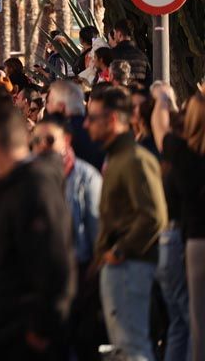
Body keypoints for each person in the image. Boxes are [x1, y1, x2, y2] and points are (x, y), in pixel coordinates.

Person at [0, 106, 74, 360]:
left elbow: (56, 266)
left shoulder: (36, 187)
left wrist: (41, 329)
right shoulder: (2, 185)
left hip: (18, 340)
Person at [86, 86, 168, 361]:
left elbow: (154, 215)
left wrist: (119, 251)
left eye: (93, 117)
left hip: (130, 266)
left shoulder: (134, 160)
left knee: (133, 349)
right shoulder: (119, 157)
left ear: (111, 120)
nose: (87, 124)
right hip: (121, 266)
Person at [32, 114, 106, 361]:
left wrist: (90, 279)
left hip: (78, 278)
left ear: (67, 140)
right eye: (37, 140)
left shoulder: (87, 178)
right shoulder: (28, 177)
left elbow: (97, 236)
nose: (42, 145)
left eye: (50, 140)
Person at [152, 83, 205, 361]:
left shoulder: (185, 156)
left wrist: (163, 97)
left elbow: (161, 127)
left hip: (196, 242)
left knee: (196, 323)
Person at [46, 78, 104, 169]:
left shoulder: (60, 136)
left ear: (61, 107)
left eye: (49, 102)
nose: (47, 106)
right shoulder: (99, 129)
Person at [108, 18, 152, 86]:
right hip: (138, 94)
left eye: (114, 33)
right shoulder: (142, 56)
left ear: (119, 34)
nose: (114, 36)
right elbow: (148, 80)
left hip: (118, 94)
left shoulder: (112, 54)